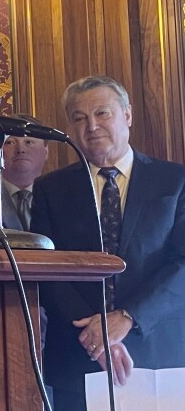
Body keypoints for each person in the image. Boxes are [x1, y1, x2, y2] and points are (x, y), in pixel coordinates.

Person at [31, 75, 185, 411]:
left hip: (160, 350)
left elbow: (183, 263)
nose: (92, 126)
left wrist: (128, 318)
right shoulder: (50, 190)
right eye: (79, 118)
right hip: (79, 356)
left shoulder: (175, 180)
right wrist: (96, 335)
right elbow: (46, 269)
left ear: (127, 115)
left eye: (102, 113)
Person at [1, 114, 49, 231]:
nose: (20, 150)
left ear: (46, 152)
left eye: (29, 142)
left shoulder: (62, 199)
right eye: (10, 142)